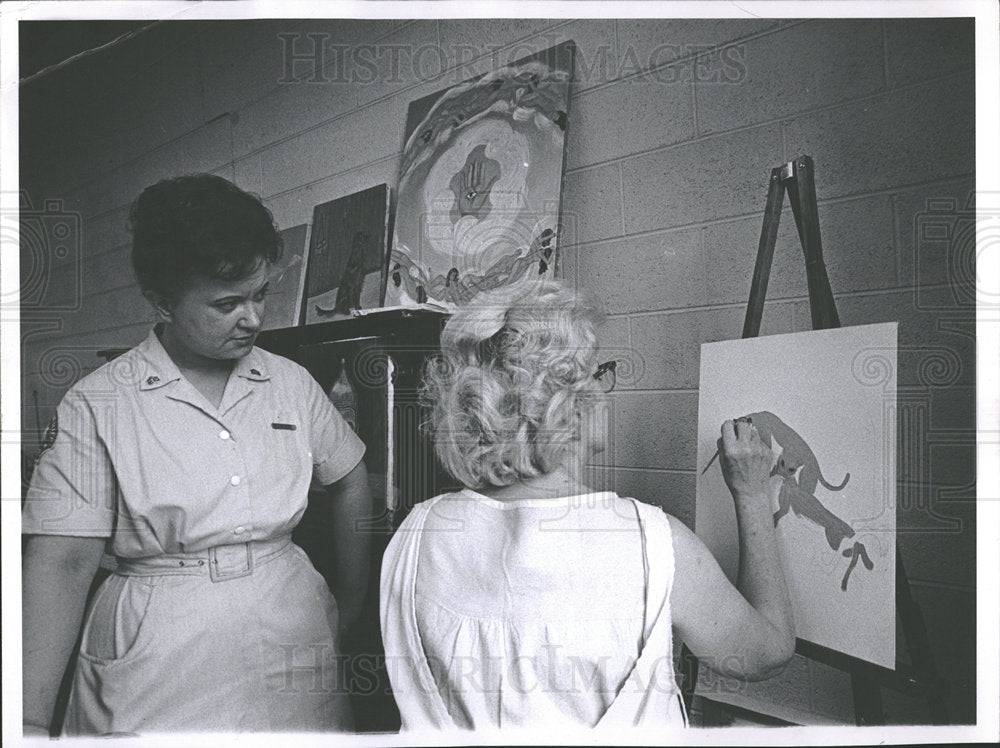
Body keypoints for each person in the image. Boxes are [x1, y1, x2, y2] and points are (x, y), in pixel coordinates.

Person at [22, 174, 372, 735]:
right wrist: (28, 718)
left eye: (260, 295)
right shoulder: (99, 402)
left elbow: (351, 478)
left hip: (292, 625)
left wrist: (353, 600)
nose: (253, 318)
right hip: (159, 644)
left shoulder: (291, 383)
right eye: (227, 303)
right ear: (162, 300)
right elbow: (61, 563)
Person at [380, 280, 794, 732]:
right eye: (599, 372)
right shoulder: (649, 541)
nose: (605, 391)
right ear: (568, 403)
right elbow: (766, 653)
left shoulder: (416, 531)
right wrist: (753, 495)